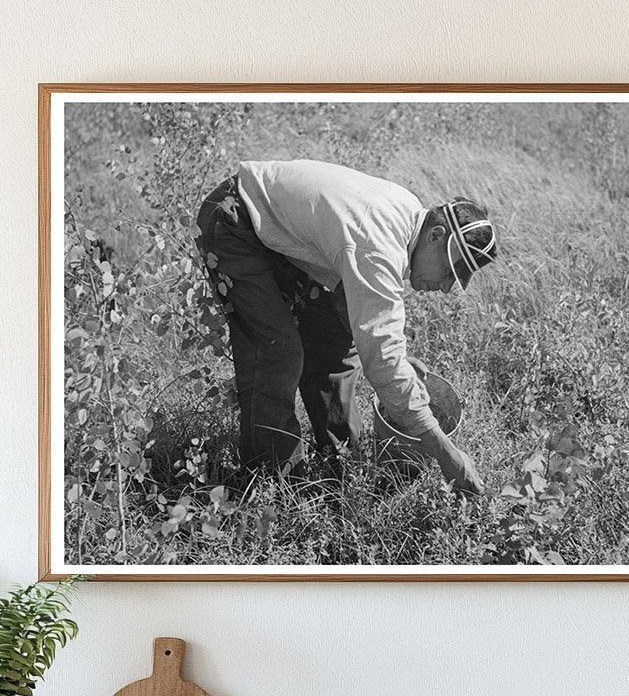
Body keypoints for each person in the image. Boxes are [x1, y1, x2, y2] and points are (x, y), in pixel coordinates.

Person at [195, 159, 498, 494]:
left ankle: (339, 472)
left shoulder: (408, 216)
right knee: (278, 354)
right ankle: (273, 491)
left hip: (272, 232)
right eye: (451, 271)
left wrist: (394, 360)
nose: (446, 286)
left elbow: (353, 298)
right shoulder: (379, 246)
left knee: (337, 345)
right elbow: (382, 358)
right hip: (235, 220)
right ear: (436, 236)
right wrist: (445, 453)